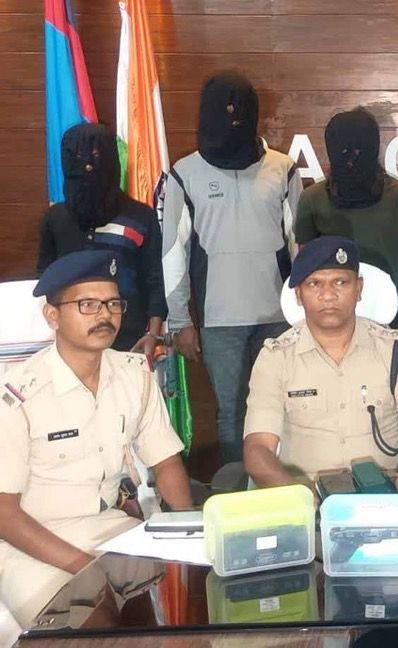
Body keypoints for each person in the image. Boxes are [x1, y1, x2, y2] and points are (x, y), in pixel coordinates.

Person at [0, 250, 192, 626]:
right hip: (33, 544)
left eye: (112, 303)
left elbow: (166, 461)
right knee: (99, 625)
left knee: (165, 625)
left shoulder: (134, 375)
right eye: (87, 304)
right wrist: (88, 568)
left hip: (108, 529)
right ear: (52, 315)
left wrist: (190, 531)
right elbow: (4, 513)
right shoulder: (18, 395)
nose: (104, 315)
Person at [161, 71, 303, 464]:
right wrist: (180, 320)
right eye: (224, 111)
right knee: (232, 415)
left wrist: (303, 314)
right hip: (219, 321)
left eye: (241, 111)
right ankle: (237, 493)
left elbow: (300, 246)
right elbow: (173, 254)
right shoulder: (184, 174)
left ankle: (284, 490)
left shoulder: (283, 169)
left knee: (283, 411)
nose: (233, 120)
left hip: (279, 319)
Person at [243, 236, 398, 497]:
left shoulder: (394, 350)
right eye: (314, 284)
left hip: (384, 496)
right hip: (306, 497)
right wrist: (296, 494)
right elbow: (258, 448)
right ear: (299, 295)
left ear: (359, 288)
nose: (328, 295)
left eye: (340, 282)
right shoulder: (276, 357)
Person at [295, 108, 398, 355]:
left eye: (359, 151)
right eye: (344, 151)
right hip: (330, 331)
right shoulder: (312, 199)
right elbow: (307, 270)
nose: (351, 159)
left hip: (389, 325)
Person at [38, 123, 166, 357]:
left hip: (129, 340)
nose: (88, 165)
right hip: (70, 343)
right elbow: (45, 279)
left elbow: (155, 278)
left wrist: (153, 335)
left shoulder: (141, 216)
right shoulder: (54, 218)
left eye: (96, 156)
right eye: (79, 157)